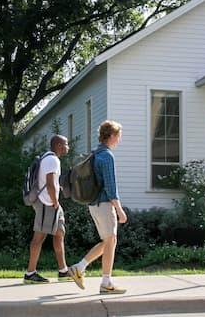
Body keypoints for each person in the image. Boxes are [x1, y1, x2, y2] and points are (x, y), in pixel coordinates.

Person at [67, 120, 127, 294]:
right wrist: (119, 209)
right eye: (118, 137)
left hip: (93, 204)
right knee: (111, 241)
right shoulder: (107, 156)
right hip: (104, 204)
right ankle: (106, 283)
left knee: (108, 241)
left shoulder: (95, 154)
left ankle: (79, 267)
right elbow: (110, 186)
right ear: (111, 136)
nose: (119, 141)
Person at [23, 134, 70, 284]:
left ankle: (63, 271)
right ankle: (30, 274)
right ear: (58, 145)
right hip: (47, 203)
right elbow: (49, 183)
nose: (67, 147)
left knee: (59, 233)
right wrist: (55, 201)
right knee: (39, 238)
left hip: (51, 203)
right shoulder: (52, 160)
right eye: (66, 144)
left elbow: (52, 182)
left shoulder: (49, 158)